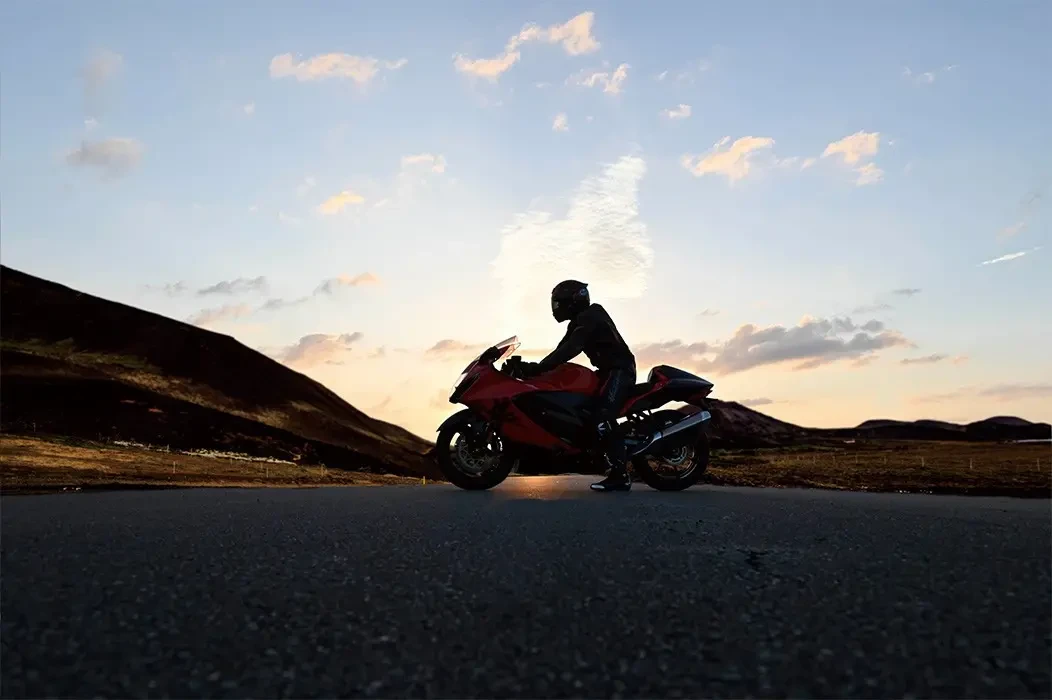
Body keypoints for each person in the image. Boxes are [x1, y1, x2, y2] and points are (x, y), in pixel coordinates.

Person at [520, 280, 636, 492]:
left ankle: (620, 474)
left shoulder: (591, 316)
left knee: (603, 414)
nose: (556, 308)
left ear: (572, 301)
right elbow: (561, 350)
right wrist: (534, 368)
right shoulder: (579, 322)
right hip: (607, 371)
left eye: (559, 303)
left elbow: (571, 348)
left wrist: (537, 369)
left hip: (620, 371)